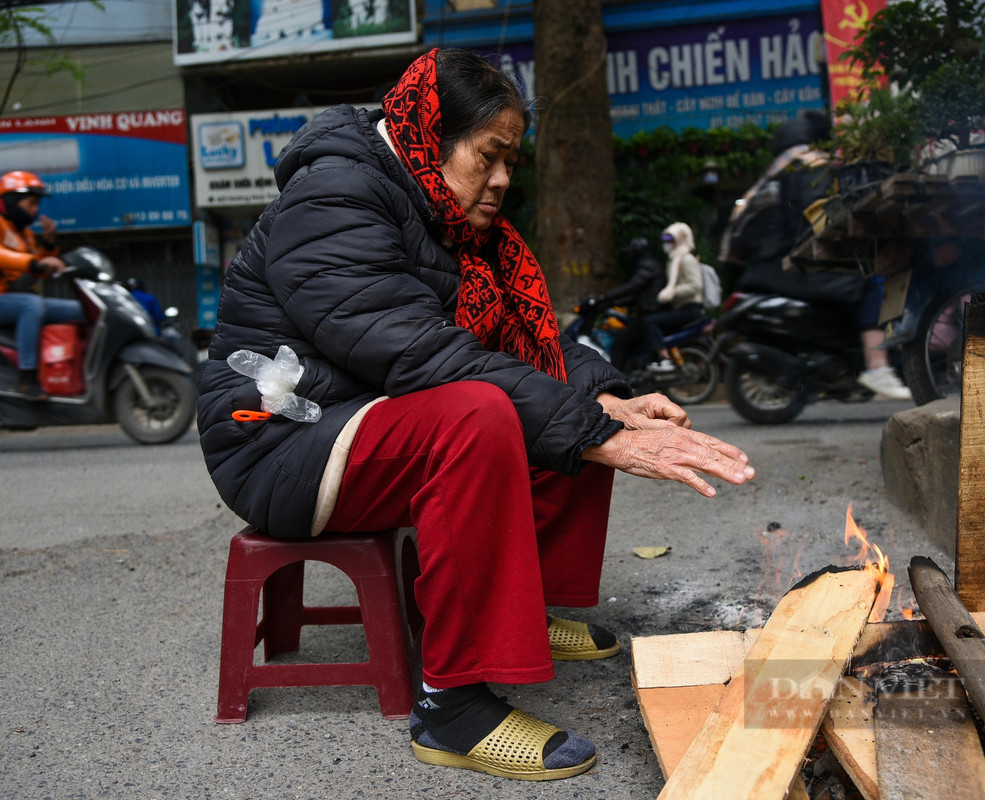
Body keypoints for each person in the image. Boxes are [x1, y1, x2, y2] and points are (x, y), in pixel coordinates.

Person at [196, 49, 755, 782]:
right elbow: (416, 351)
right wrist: (593, 430)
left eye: (510, 162)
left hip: (365, 414)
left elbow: (521, 343)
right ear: (430, 136)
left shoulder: (440, 211)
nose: (501, 179)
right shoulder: (334, 196)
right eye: (487, 156)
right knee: (483, 414)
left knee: (566, 402)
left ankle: (525, 608)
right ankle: (451, 708)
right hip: (282, 440)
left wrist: (607, 400)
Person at [721, 112, 913, 401]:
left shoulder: (777, 170)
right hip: (791, 266)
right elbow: (819, 216)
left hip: (766, 269)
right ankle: (877, 365)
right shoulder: (809, 164)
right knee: (869, 280)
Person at [0, 170, 83, 400]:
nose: (35, 210)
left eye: (37, 204)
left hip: (13, 298)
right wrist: (33, 263)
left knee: (83, 310)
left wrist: (48, 244)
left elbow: (39, 271)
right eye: (31, 203)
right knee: (31, 304)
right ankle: (27, 377)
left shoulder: (25, 234)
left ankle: (80, 373)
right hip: (8, 299)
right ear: (12, 200)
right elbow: (6, 257)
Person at [580, 236, 666, 370]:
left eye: (631, 252)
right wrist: (608, 303)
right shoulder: (651, 265)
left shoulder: (647, 267)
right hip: (648, 314)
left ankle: (617, 379)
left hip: (647, 316)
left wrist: (603, 297)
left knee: (618, 346)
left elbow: (631, 288)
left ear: (637, 252)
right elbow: (635, 296)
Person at [643, 221, 706, 372]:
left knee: (650, 322)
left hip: (690, 309)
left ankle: (664, 358)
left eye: (670, 240)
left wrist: (672, 292)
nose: (666, 244)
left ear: (679, 240)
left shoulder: (686, 259)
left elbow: (695, 285)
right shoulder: (674, 259)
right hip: (680, 307)